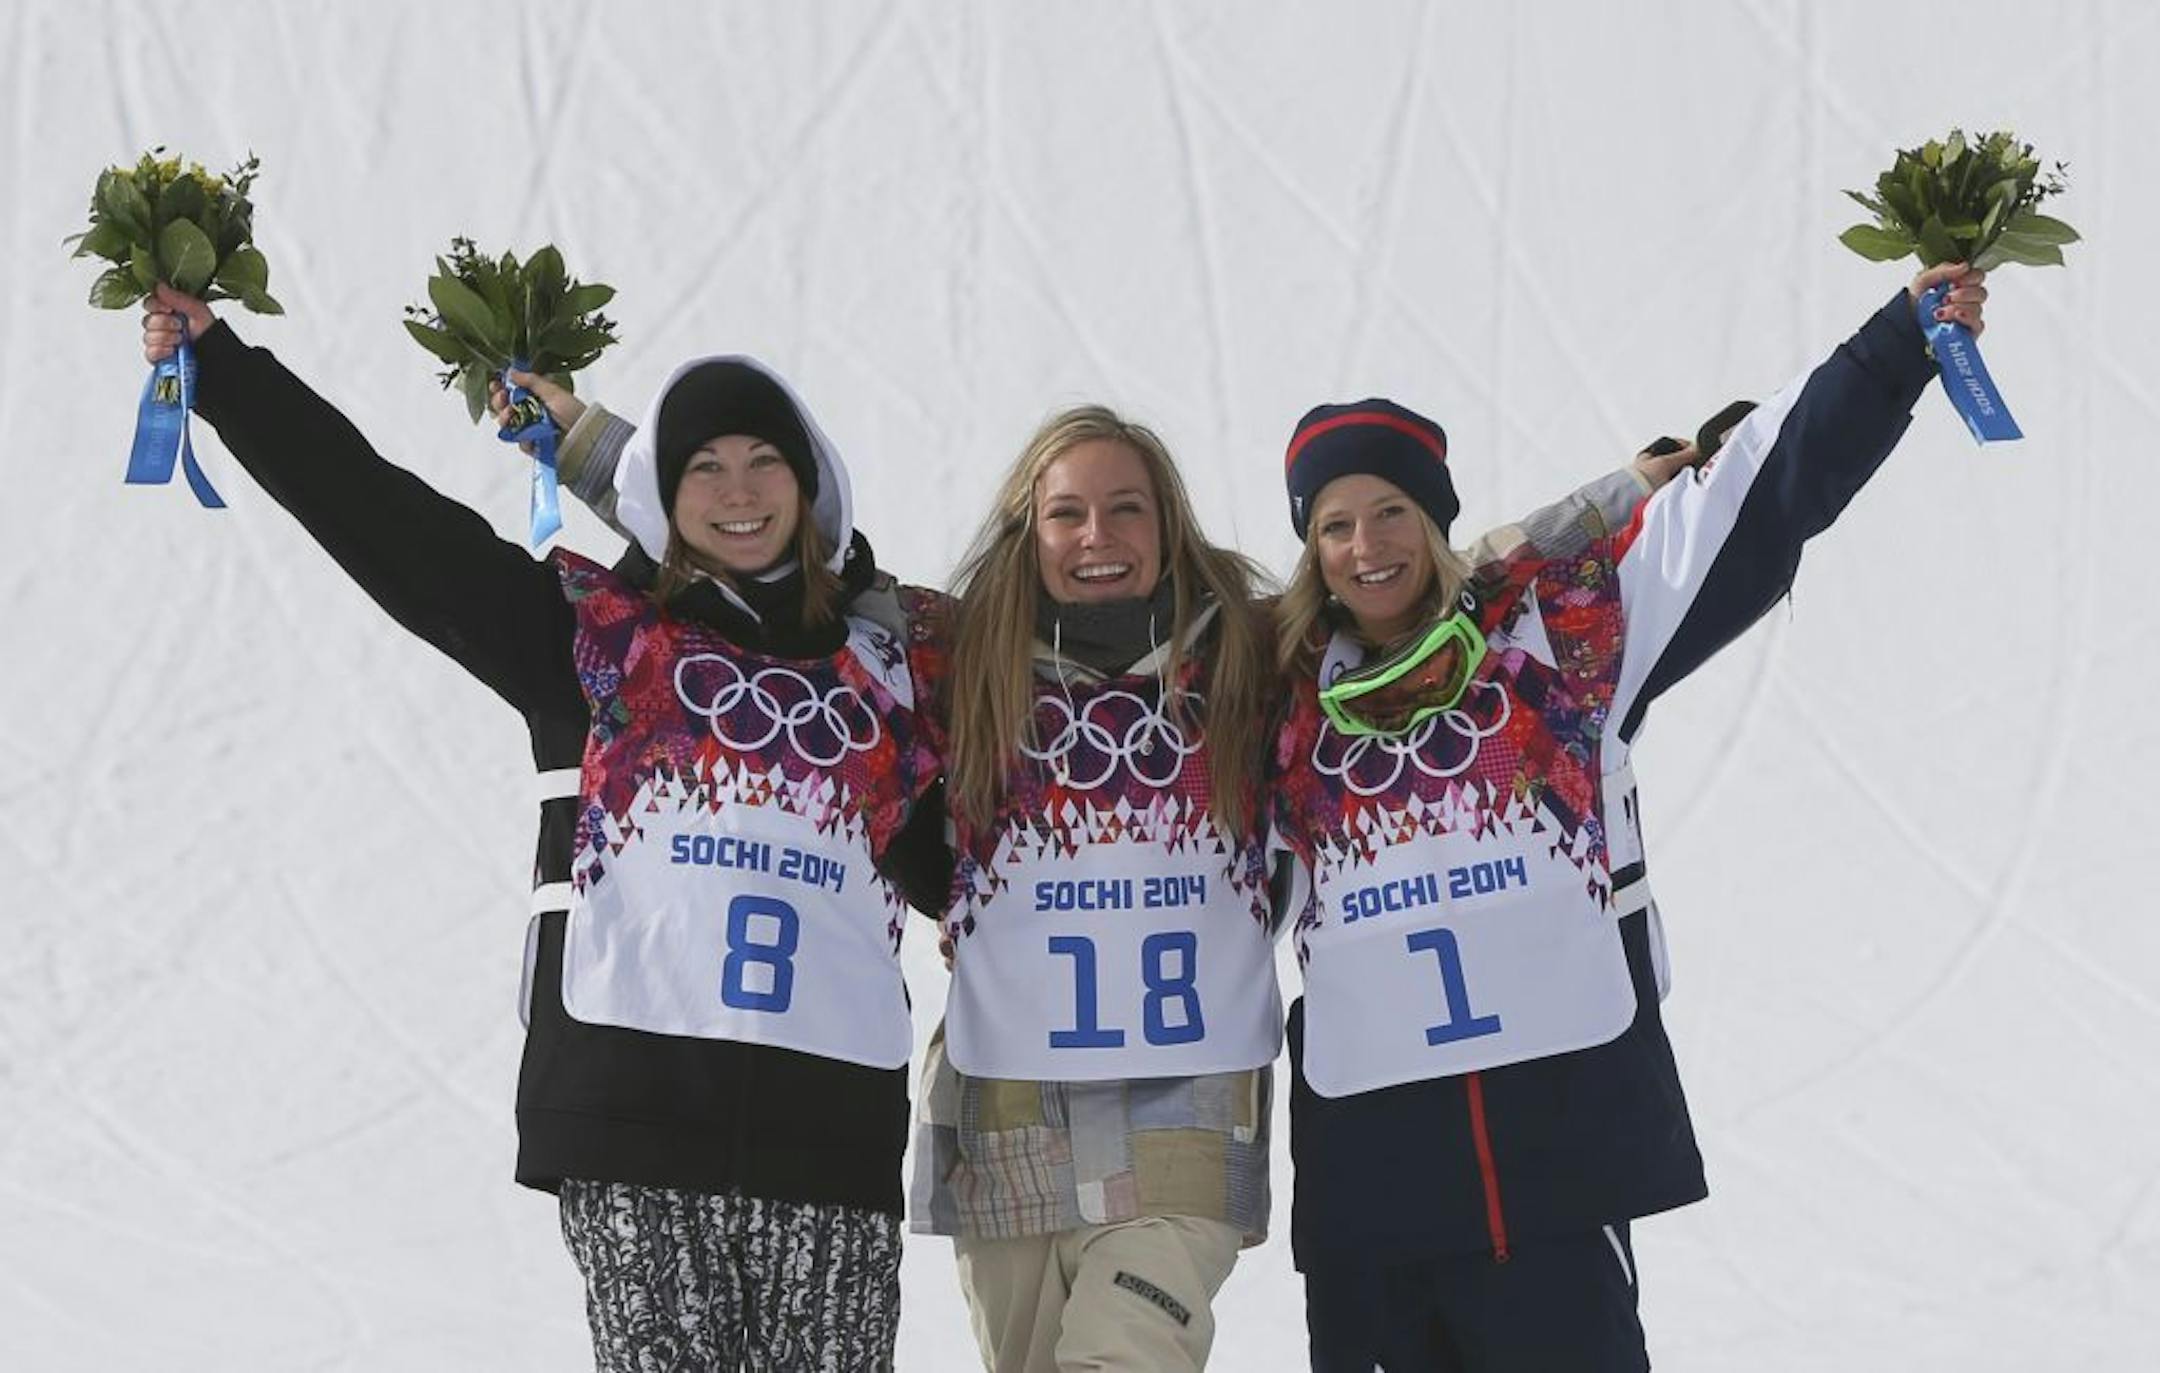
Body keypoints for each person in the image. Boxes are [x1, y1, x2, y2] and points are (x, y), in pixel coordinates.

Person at [140, 284, 946, 1372]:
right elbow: (388, 525)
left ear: (812, 488)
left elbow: (966, 861)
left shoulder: (885, 677)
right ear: (661, 492)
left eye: (767, 462)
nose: (739, 491)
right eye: (702, 466)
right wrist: (227, 372)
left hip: (832, 1136)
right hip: (637, 1125)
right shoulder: (593, 646)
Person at [1265, 262, 1988, 1371]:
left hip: (1557, 1150)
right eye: (1337, 526)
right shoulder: (1270, 702)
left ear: (1436, 518)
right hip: (1375, 1179)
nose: (1369, 548)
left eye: (1393, 512)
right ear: (1310, 548)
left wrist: (1899, 343)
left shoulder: (1562, 639)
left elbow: (1761, 493)